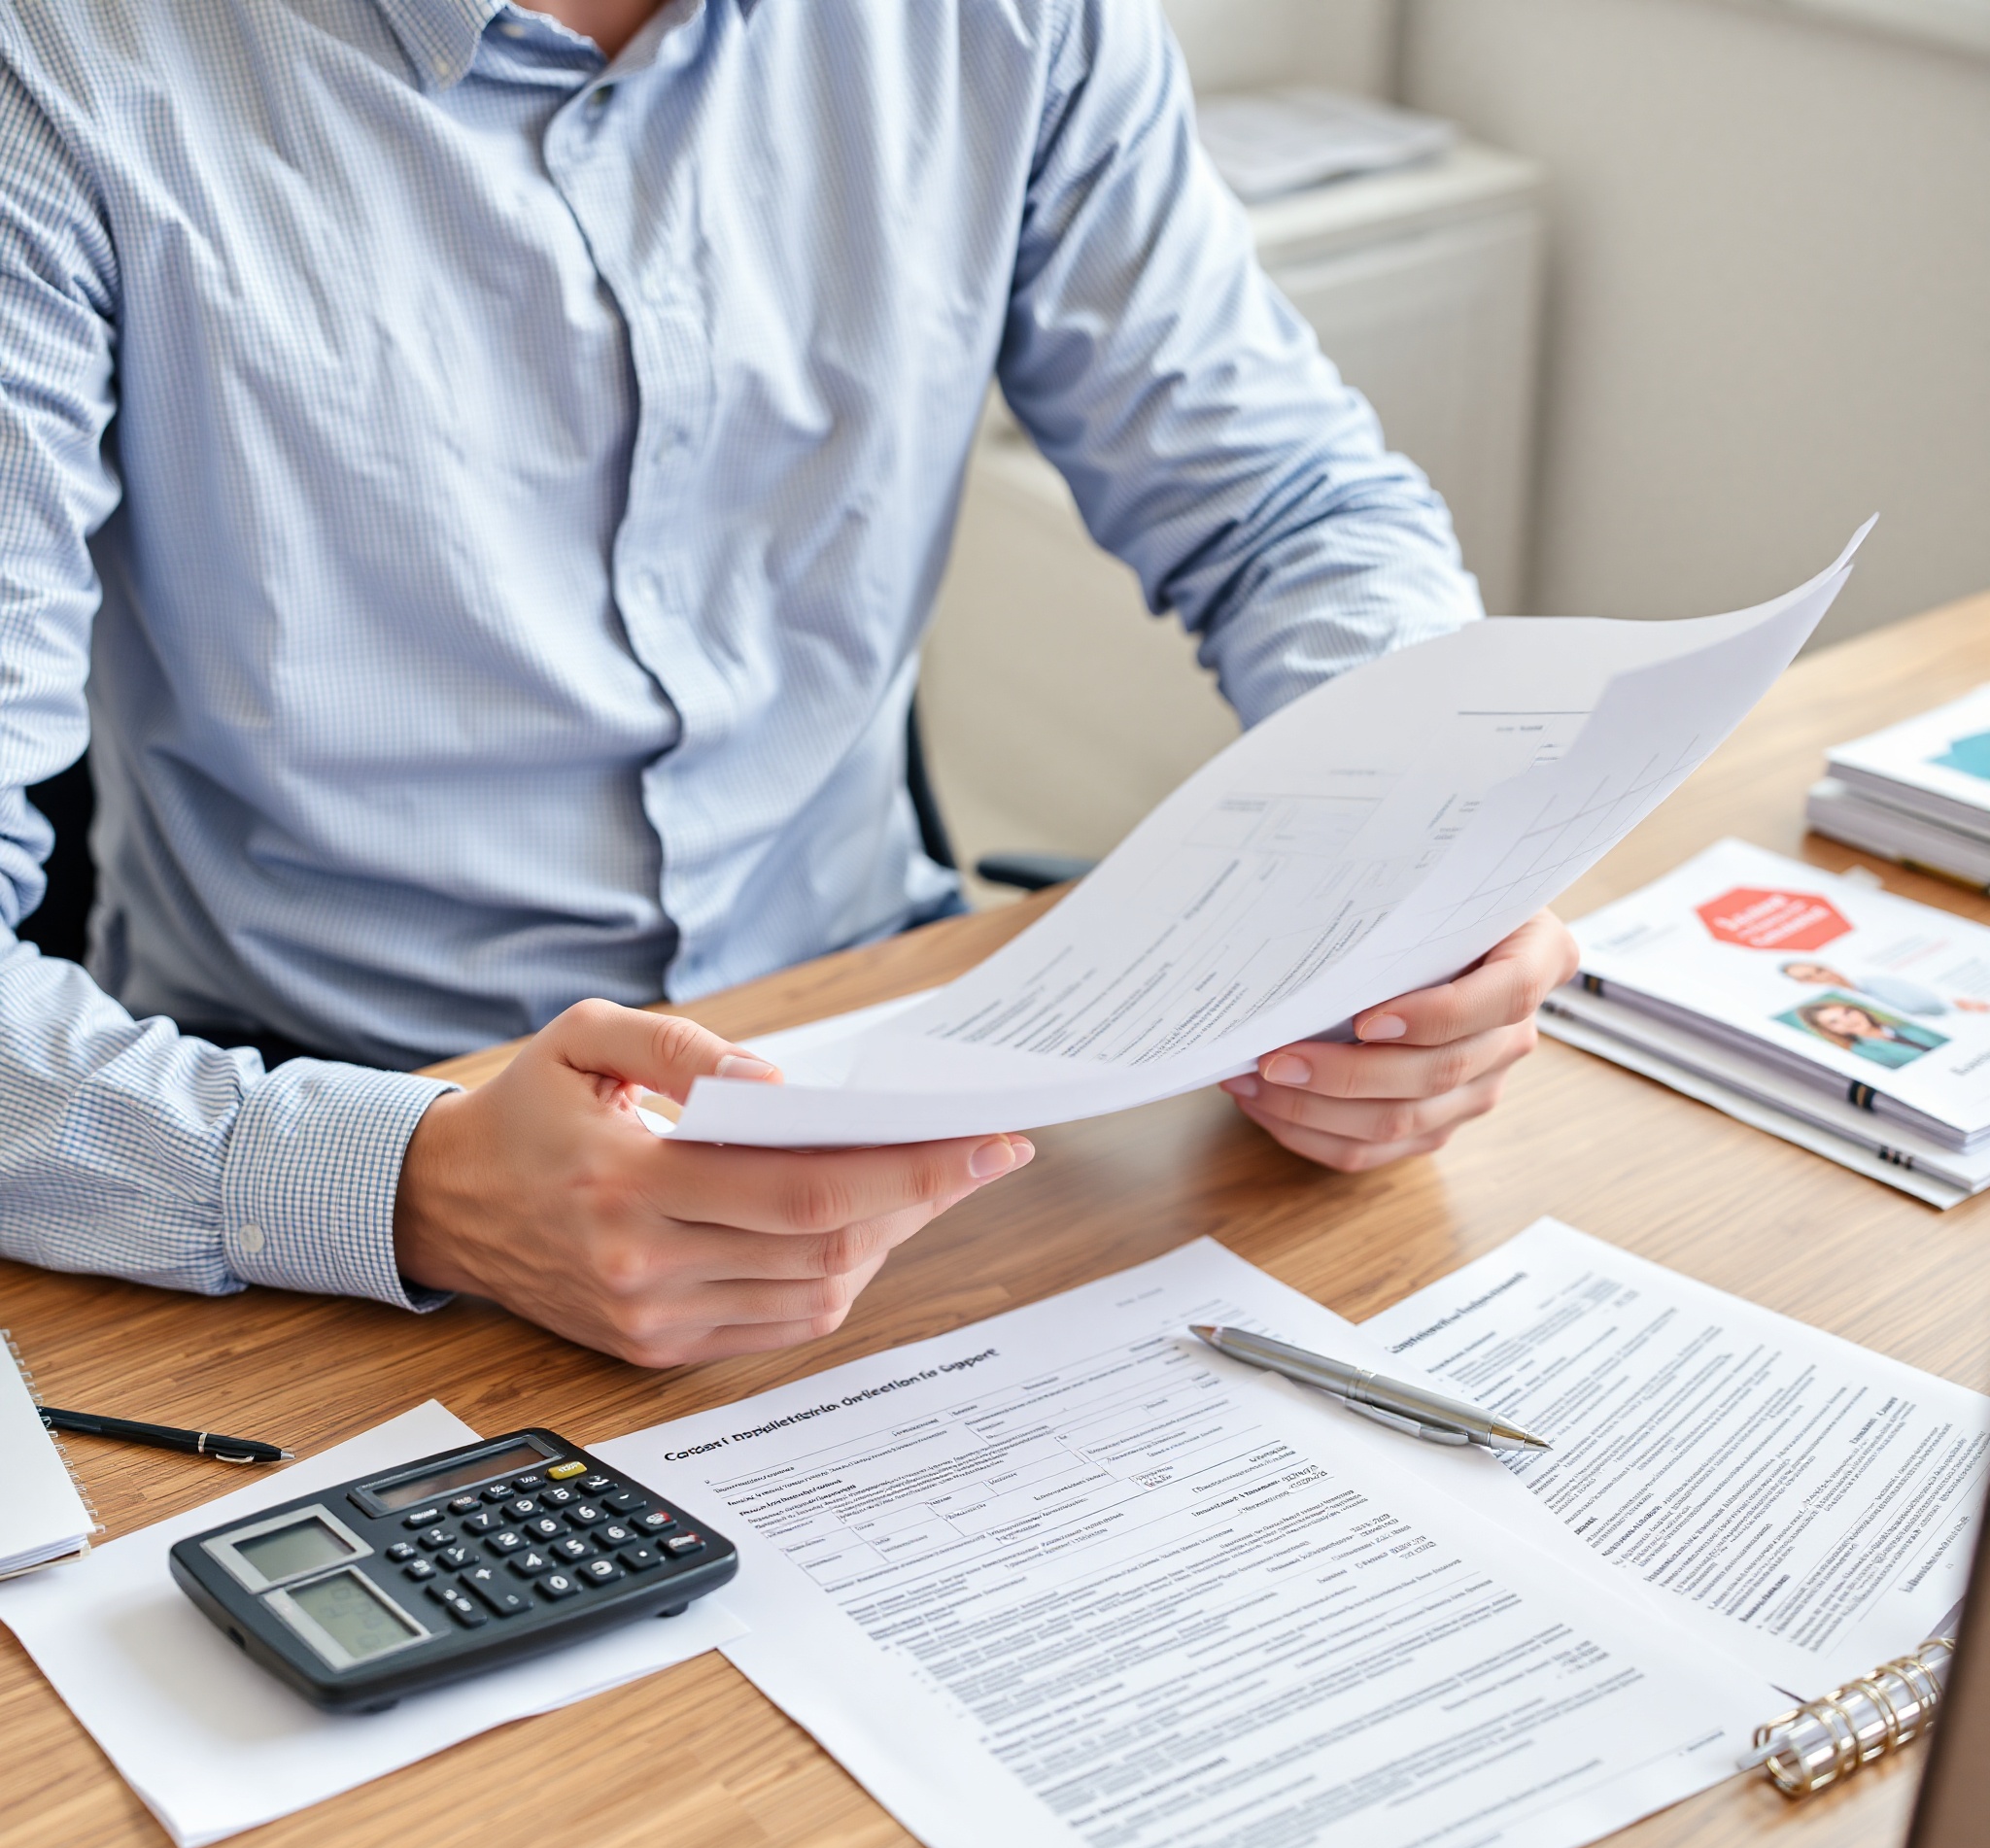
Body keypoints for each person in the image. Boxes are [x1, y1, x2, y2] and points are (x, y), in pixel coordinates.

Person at [0, 0, 1577, 1367]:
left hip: (886, 1071)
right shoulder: (57, 73)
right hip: (333, 1118)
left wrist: (1417, 859)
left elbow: (1291, 506)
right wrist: (418, 1185)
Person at [1778, 960, 1988, 1017]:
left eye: (1819, 969)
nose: (1821, 976)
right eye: (1809, 977)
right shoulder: (1833, 1009)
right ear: (1804, 984)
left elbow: (1928, 1002)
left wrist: (1961, 1005)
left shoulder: (1878, 980)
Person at [1786, 999, 1946, 1069]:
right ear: (1829, 1031)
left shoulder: (1906, 1026)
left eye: (1847, 1013)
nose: (1847, 1021)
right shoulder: (1862, 1053)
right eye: (1833, 1022)